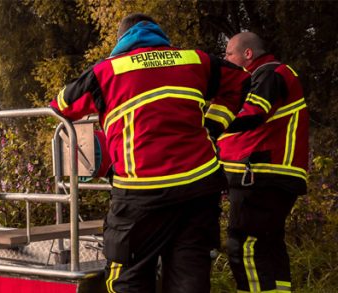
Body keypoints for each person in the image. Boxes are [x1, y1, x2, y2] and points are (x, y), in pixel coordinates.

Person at [50, 14, 248, 292]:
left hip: (140, 192)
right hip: (199, 187)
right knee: (190, 277)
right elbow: (240, 83)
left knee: (128, 278)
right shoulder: (195, 60)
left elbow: (61, 104)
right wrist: (213, 125)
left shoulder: (108, 71)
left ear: (122, 40)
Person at [219, 31, 308, 293]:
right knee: (269, 248)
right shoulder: (272, 74)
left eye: (229, 54)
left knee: (244, 246)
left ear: (248, 54)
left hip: (261, 175)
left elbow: (252, 114)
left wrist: (208, 123)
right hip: (271, 176)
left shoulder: (268, 73)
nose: (225, 59)